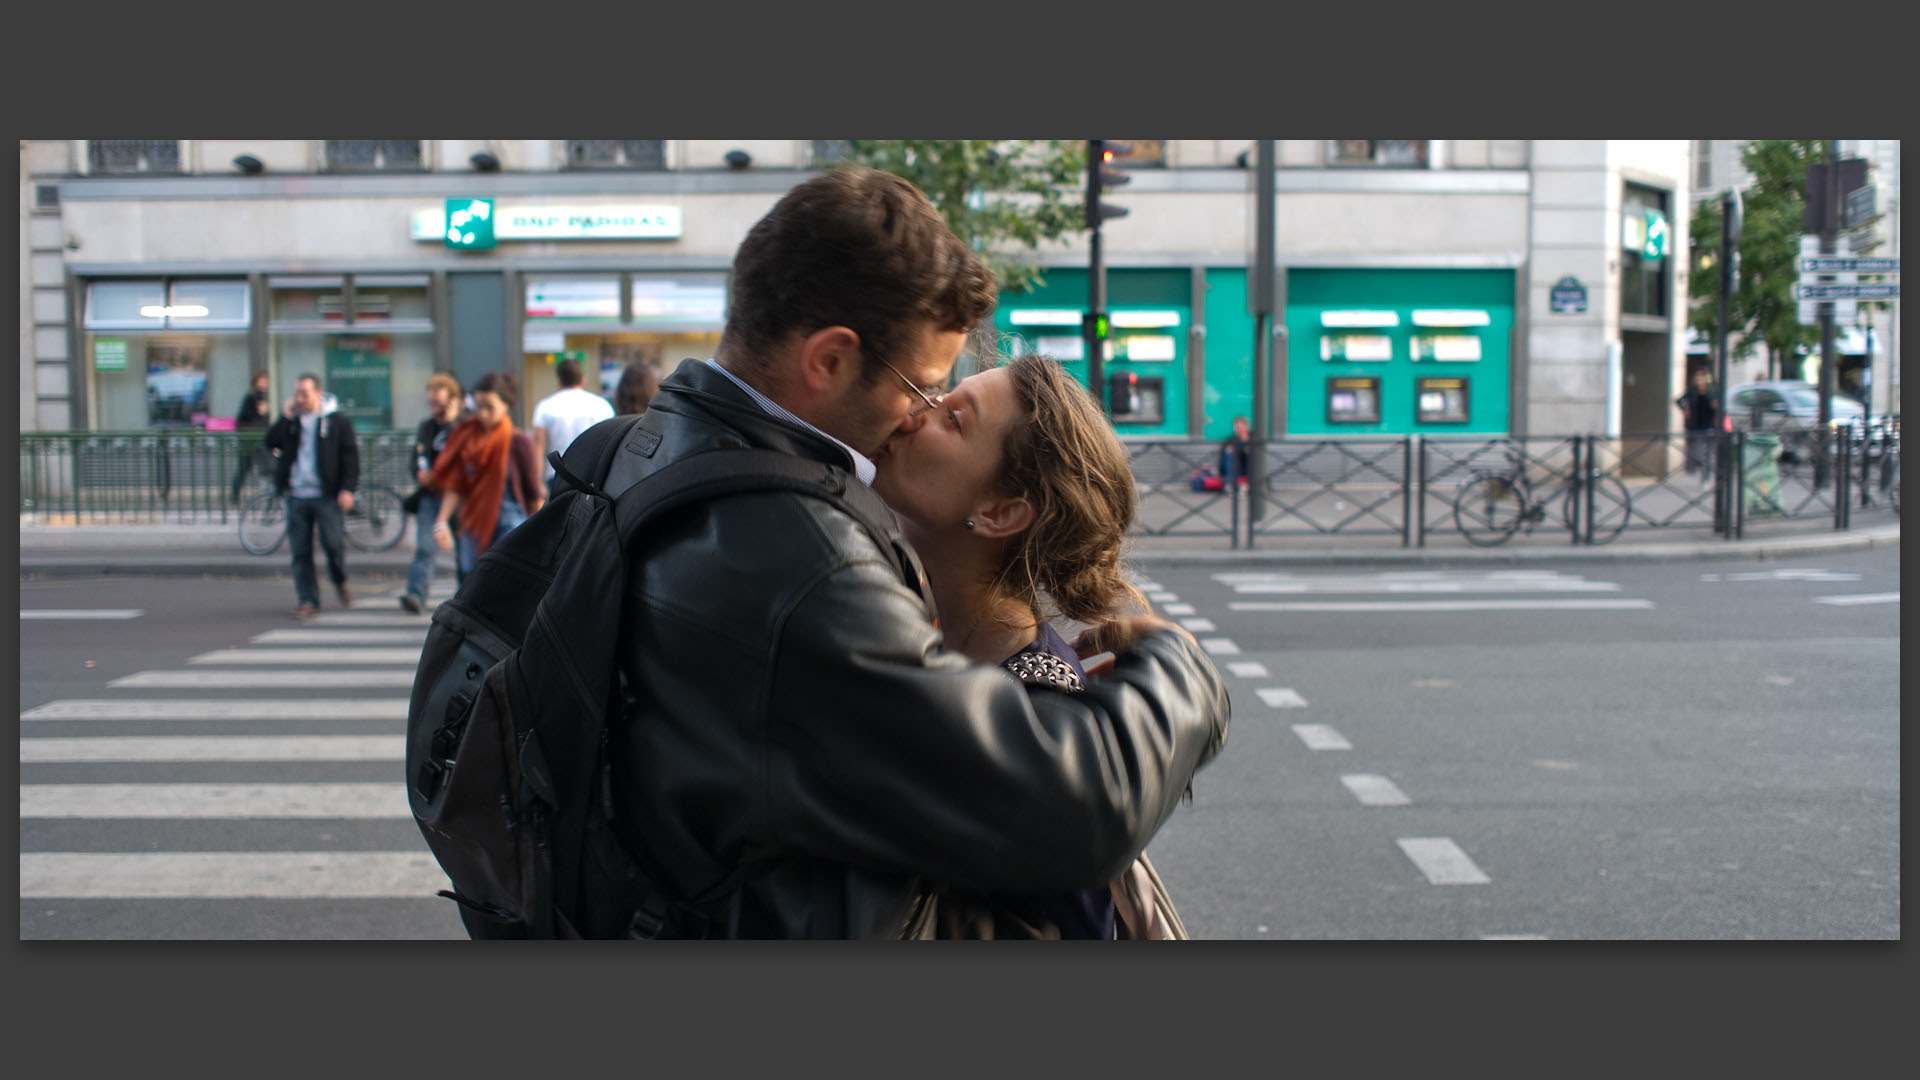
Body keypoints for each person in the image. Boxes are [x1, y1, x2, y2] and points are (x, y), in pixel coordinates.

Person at [548, 165, 1229, 939]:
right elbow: (1072, 806)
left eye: (947, 406)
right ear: (830, 360)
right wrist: (1190, 677)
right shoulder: (810, 562)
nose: (915, 413)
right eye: (923, 386)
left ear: (1004, 510)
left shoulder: (620, 452)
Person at [871, 350, 1183, 939]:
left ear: (999, 511)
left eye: (953, 418)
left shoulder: (1041, 717)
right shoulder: (921, 637)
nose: (918, 409)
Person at [427, 371, 545, 585]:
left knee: (504, 583)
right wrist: (441, 521)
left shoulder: (519, 442)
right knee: (471, 582)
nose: (482, 414)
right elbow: (456, 484)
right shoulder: (466, 436)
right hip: (473, 522)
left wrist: (539, 538)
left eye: (489, 407)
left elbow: (534, 494)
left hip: (511, 524)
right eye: (478, 406)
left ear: (506, 405)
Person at [264, 373, 359, 620]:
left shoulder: (336, 421)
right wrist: (286, 415)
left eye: (304, 394)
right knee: (300, 551)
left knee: (333, 544)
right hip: (297, 494)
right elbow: (271, 441)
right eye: (297, 393)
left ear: (318, 393)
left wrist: (347, 488)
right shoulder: (293, 421)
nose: (299, 399)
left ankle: (340, 580)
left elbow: (350, 457)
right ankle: (308, 600)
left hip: (326, 494)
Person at [399, 373, 463, 614]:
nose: (436, 409)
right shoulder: (426, 427)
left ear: (454, 401)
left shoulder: (463, 426)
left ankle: (464, 597)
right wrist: (419, 472)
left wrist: (452, 421)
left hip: (458, 498)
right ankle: (416, 593)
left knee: (464, 550)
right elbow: (417, 456)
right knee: (425, 546)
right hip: (431, 495)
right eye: (432, 403)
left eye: (441, 404)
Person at [530, 358, 614, 482]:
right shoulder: (602, 406)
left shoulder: (545, 407)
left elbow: (538, 447)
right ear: (583, 379)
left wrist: (536, 483)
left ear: (558, 380)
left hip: (556, 474)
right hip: (592, 475)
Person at [229, 370, 272, 504]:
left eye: (265, 381)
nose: (264, 384)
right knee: (265, 468)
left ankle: (271, 497)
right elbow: (249, 416)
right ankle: (235, 497)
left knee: (251, 468)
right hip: (253, 439)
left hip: (256, 438)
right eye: (261, 382)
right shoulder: (253, 397)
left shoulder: (259, 396)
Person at [1676, 368, 1720, 477]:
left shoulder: (1711, 391)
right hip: (1696, 425)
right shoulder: (1692, 390)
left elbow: (1717, 406)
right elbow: (1678, 401)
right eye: (1698, 379)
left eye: (1701, 379)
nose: (1699, 381)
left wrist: (1715, 406)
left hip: (1709, 425)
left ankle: (1706, 476)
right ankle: (1696, 469)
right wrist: (1685, 410)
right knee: (1698, 452)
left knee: (1708, 453)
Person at [1221, 414, 1253, 485]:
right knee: (1229, 453)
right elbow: (1222, 458)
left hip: (1250, 467)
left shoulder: (1253, 439)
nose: (1237, 428)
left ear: (1246, 426)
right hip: (1236, 467)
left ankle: (1250, 483)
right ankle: (1230, 484)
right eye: (1236, 426)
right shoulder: (1230, 440)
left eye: (1239, 426)